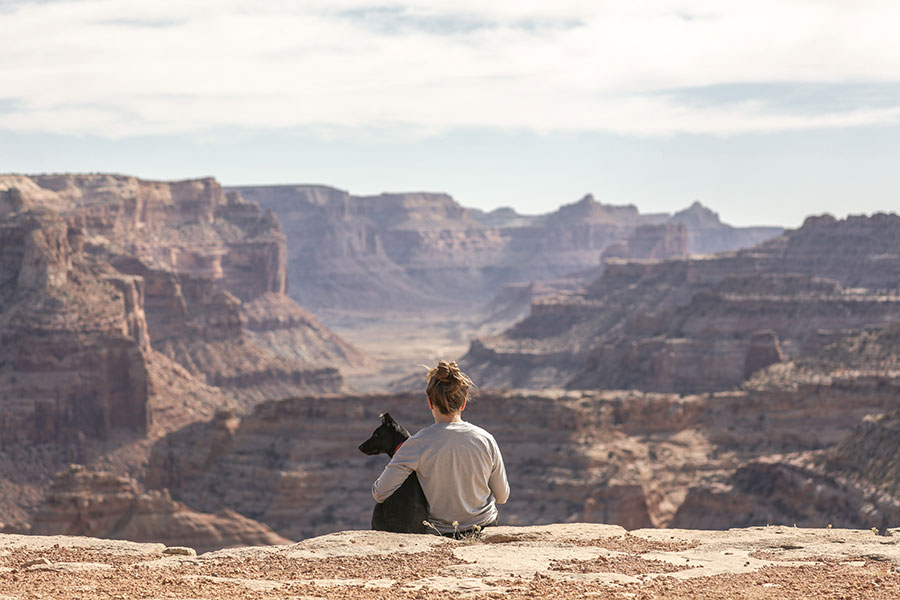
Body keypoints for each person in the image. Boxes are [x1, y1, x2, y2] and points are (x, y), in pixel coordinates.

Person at [371, 360, 509, 537]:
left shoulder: (416, 444)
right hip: (484, 527)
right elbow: (502, 496)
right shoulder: (486, 439)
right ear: (463, 404)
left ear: (430, 402)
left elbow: (379, 493)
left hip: (441, 533)